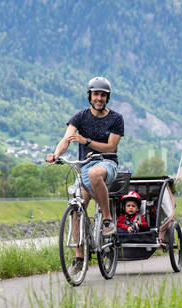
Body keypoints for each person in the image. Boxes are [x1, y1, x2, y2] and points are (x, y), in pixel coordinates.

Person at [46, 76, 124, 274]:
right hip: (84, 166)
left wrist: (86, 141)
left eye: (103, 95)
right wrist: (55, 154)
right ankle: (79, 258)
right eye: (96, 94)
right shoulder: (79, 117)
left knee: (96, 174)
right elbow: (67, 139)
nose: (99, 98)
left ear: (107, 98)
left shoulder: (116, 118)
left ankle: (107, 220)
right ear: (90, 96)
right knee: (75, 206)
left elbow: (111, 146)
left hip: (107, 163)